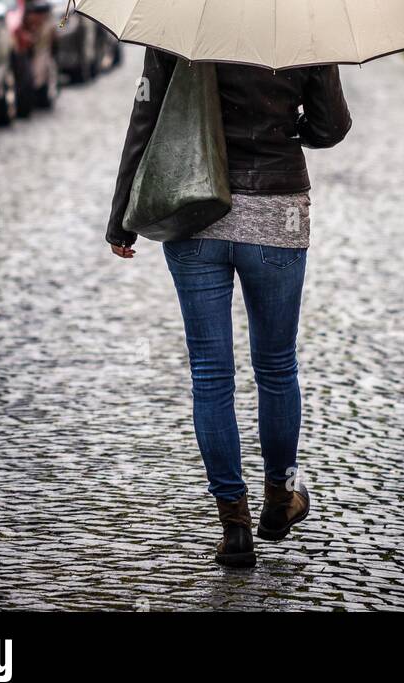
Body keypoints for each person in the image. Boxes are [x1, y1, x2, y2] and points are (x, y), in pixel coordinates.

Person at [106, 46, 352, 568]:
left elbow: (146, 119)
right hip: (278, 214)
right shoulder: (306, 17)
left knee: (212, 375)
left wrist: (122, 216)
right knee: (277, 367)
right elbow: (331, 126)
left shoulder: (181, 15)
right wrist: (289, 126)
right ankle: (280, 501)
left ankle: (234, 524)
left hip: (196, 209)